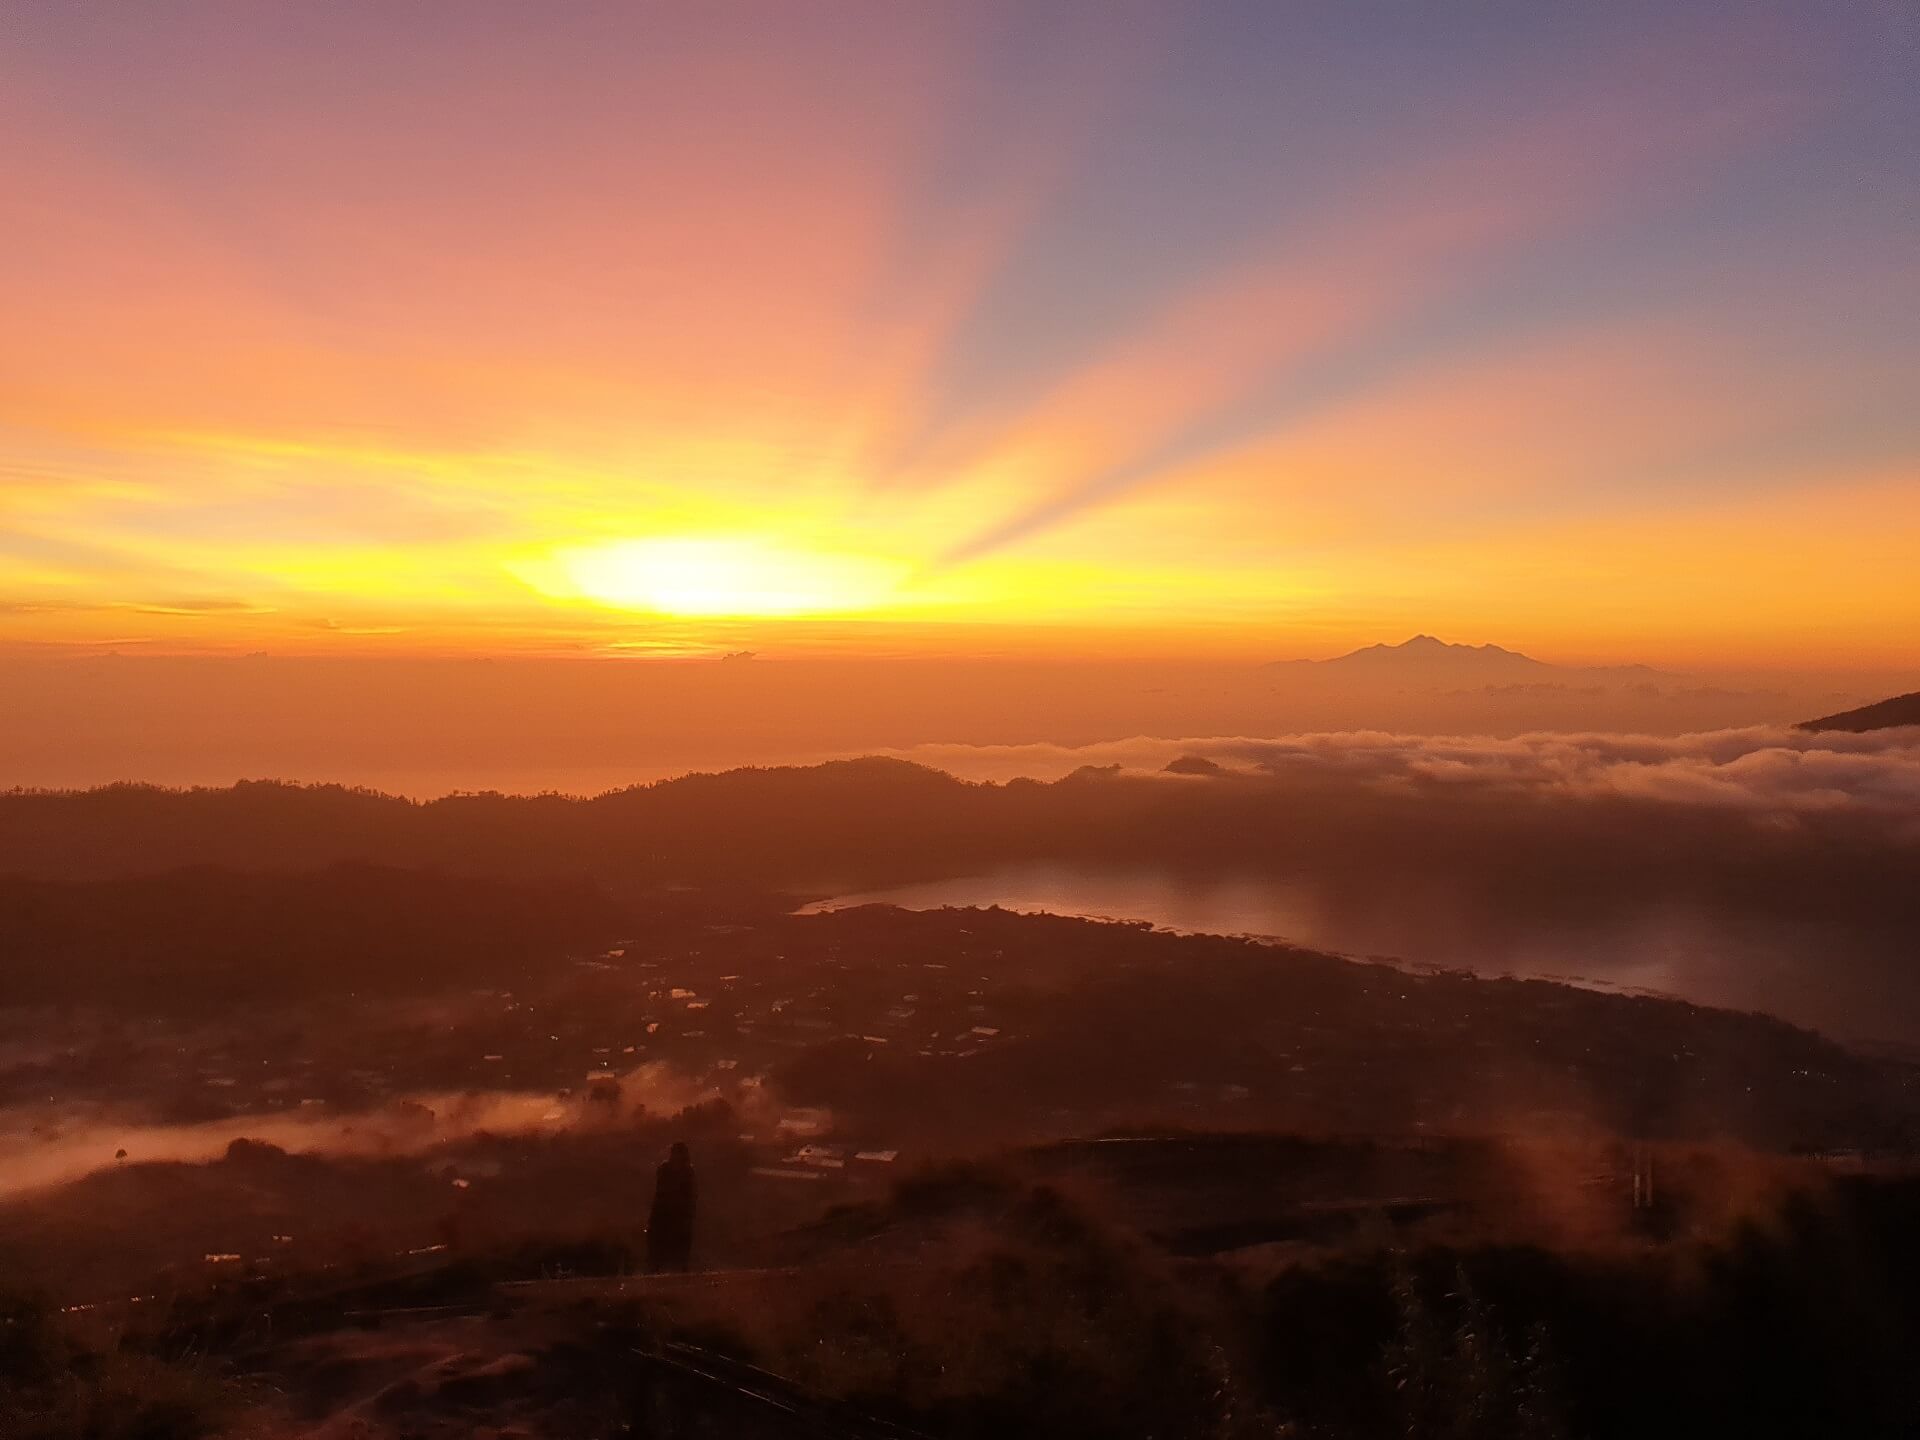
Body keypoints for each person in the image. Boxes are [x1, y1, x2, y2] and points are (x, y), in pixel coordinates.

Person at [646, 1141, 696, 1272]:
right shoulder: (665, 1169)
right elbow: (660, 1192)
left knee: (680, 1244)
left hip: (678, 1213)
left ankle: (680, 1269)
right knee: (661, 1244)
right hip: (665, 1212)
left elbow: (690, 1195)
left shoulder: (687, 1171)